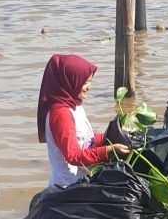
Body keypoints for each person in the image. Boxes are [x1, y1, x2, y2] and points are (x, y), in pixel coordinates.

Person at [36, 54, 131, 187]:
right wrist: (108, 150)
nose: (88, 87)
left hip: (81, 179)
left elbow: (83, 139)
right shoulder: (61, 114)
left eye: (90, 81)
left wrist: (109, 137)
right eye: (84, 82)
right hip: (67, 185)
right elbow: (73, 155)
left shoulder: (74, 105)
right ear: (70, 81)